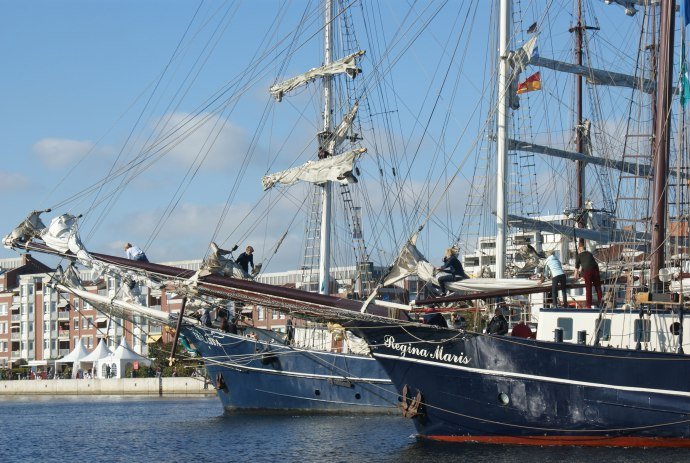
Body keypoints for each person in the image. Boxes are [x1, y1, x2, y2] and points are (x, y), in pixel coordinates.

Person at [574, 242, 603, 308]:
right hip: (595, 269)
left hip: (588, 271)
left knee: (588, 289)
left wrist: (575, 277)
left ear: (579, 249)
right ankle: (601, 303)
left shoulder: (579, 255)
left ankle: (588, 305)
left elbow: (576, 268)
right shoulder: (589, 253)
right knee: (598, 287)